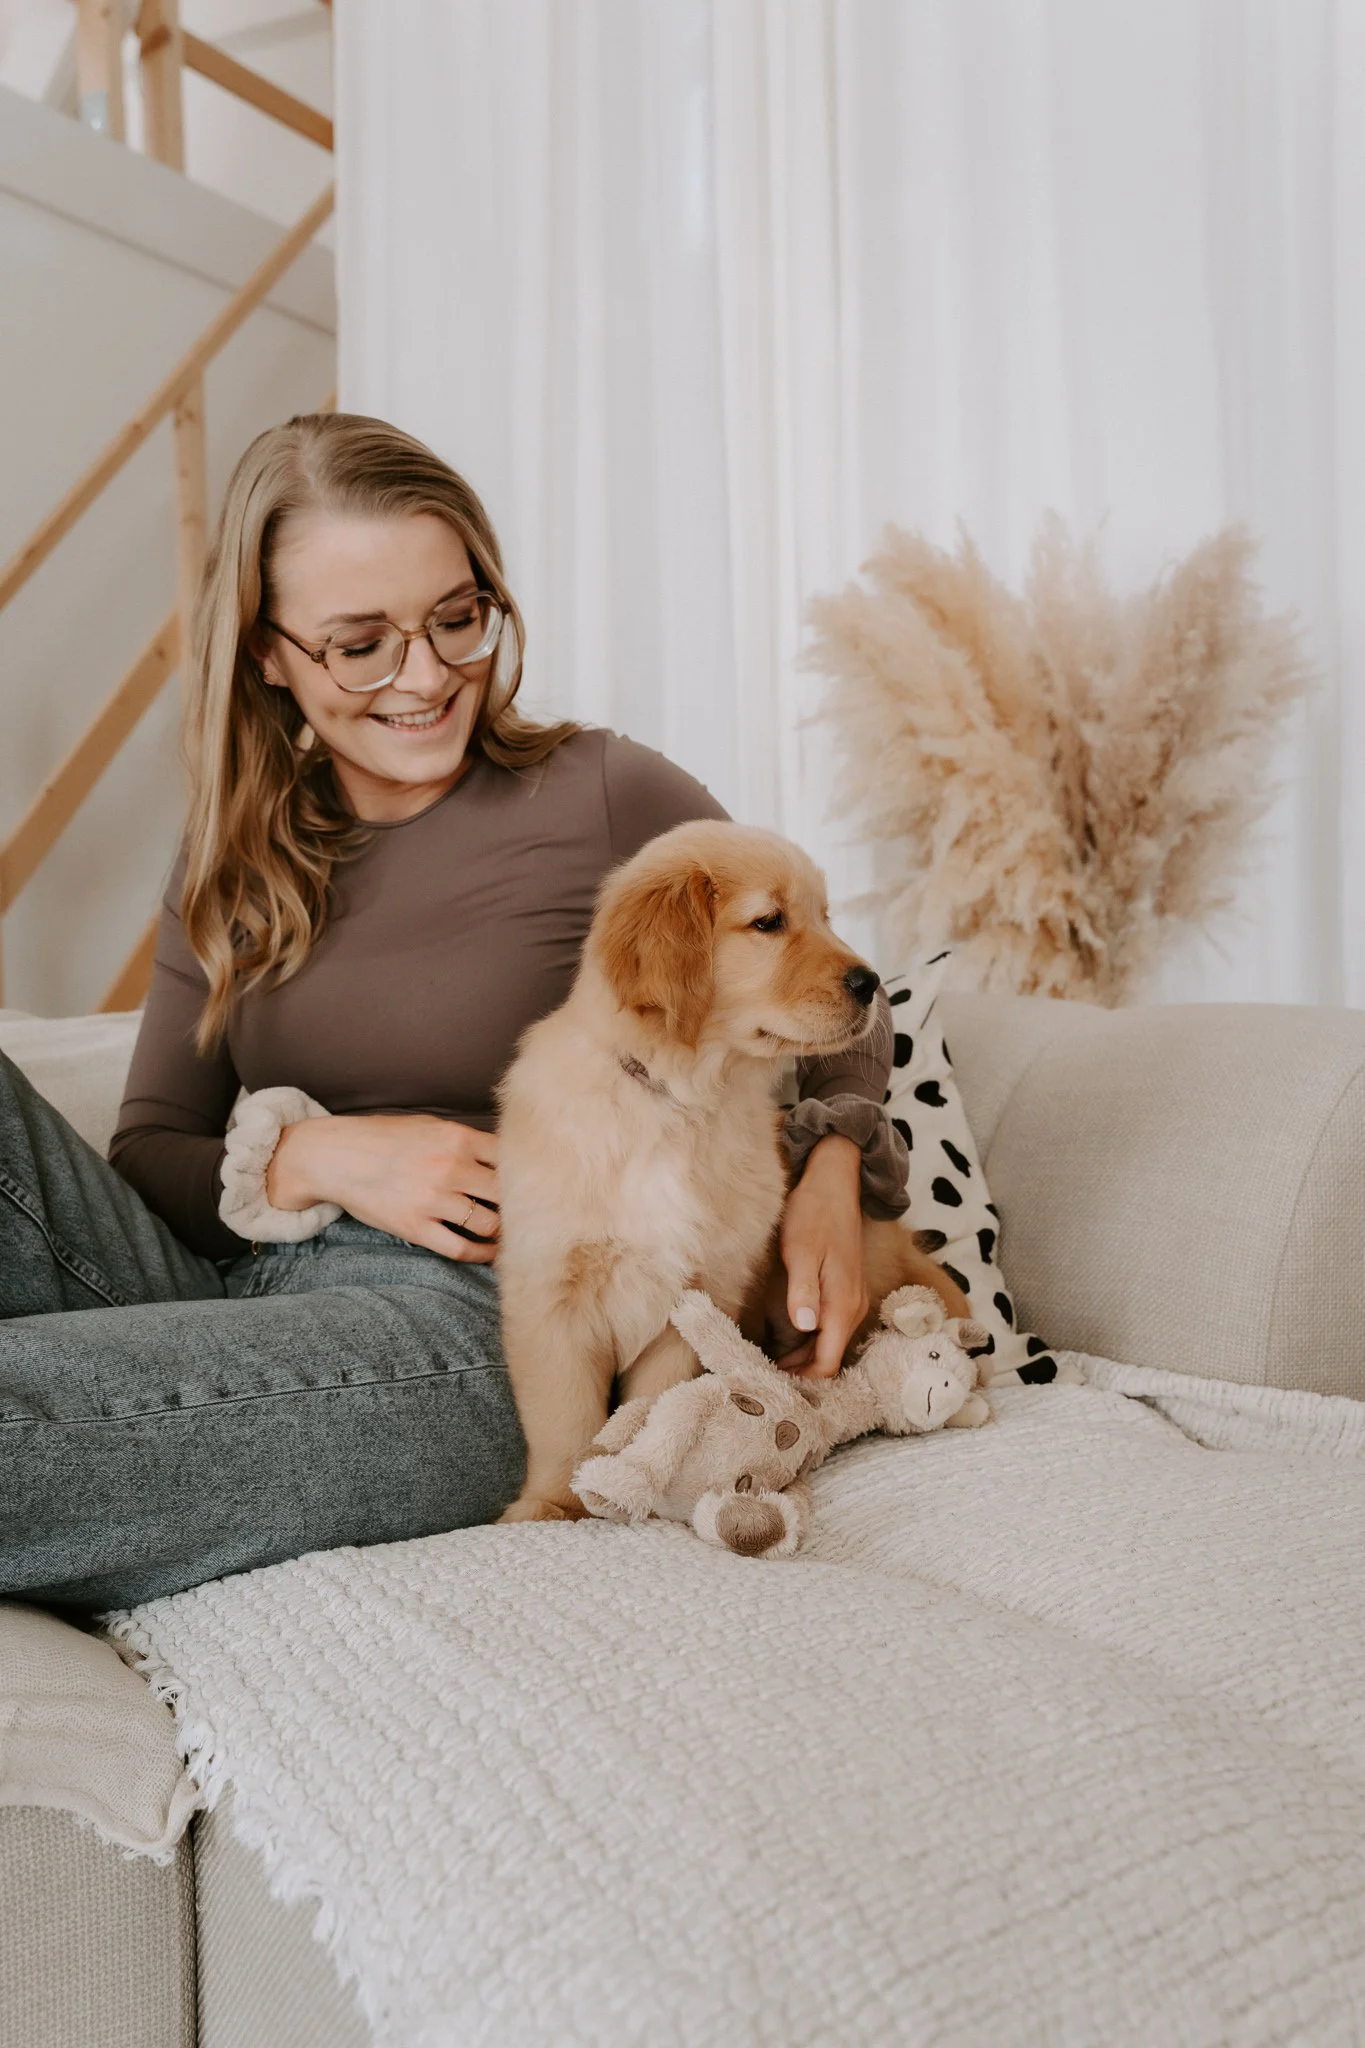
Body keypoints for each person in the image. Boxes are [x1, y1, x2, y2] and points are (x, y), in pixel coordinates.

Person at [0, 413, 907, 1613]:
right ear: (270, 655)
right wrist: (316, 1152)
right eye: (360, 644)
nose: (426, 675)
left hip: (484, 1319)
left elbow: (823, 978)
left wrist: (835, 1160)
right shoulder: (227, 862)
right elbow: (152, 1155)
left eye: (456, 617)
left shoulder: (603, 791)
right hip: (222, 1280)